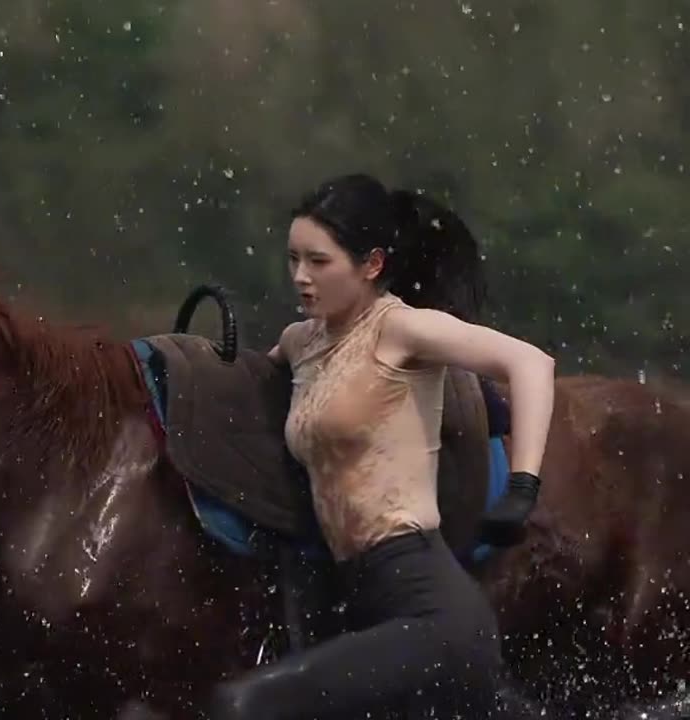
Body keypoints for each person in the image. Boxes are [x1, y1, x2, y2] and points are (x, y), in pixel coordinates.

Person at [209, 173, 556, 719]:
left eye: (319, 262)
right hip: (357, 598)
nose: (301, 276)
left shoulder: (402, 330)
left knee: (245, 706)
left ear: (371, 265)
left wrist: (522, 485)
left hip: (428, 608)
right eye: (293, 259)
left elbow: (532, 364)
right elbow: (239, 380)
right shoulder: (302, 343)